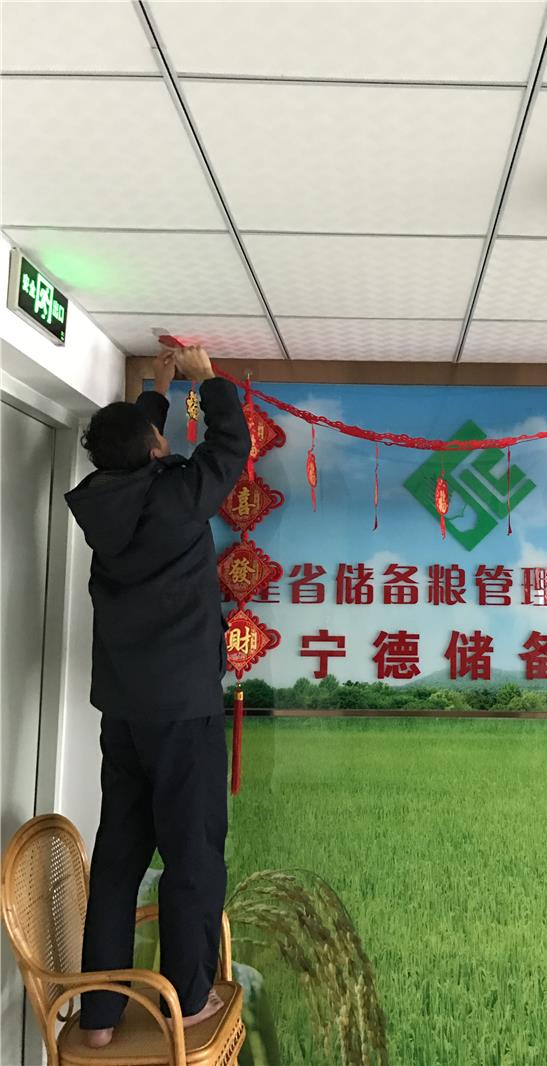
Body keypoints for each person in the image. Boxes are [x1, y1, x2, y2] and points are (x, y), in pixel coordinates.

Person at [65, 346, 250, 1048]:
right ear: (152, 448)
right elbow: (228, 449)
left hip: (125, 712)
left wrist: (159, 390)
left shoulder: (103, 504)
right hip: (181, 712)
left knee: (119, 858)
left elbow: (131, 452)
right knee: (192, 855)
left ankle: (99, 1016)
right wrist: (206, 378)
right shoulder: (172, 498)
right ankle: (189, 1002)